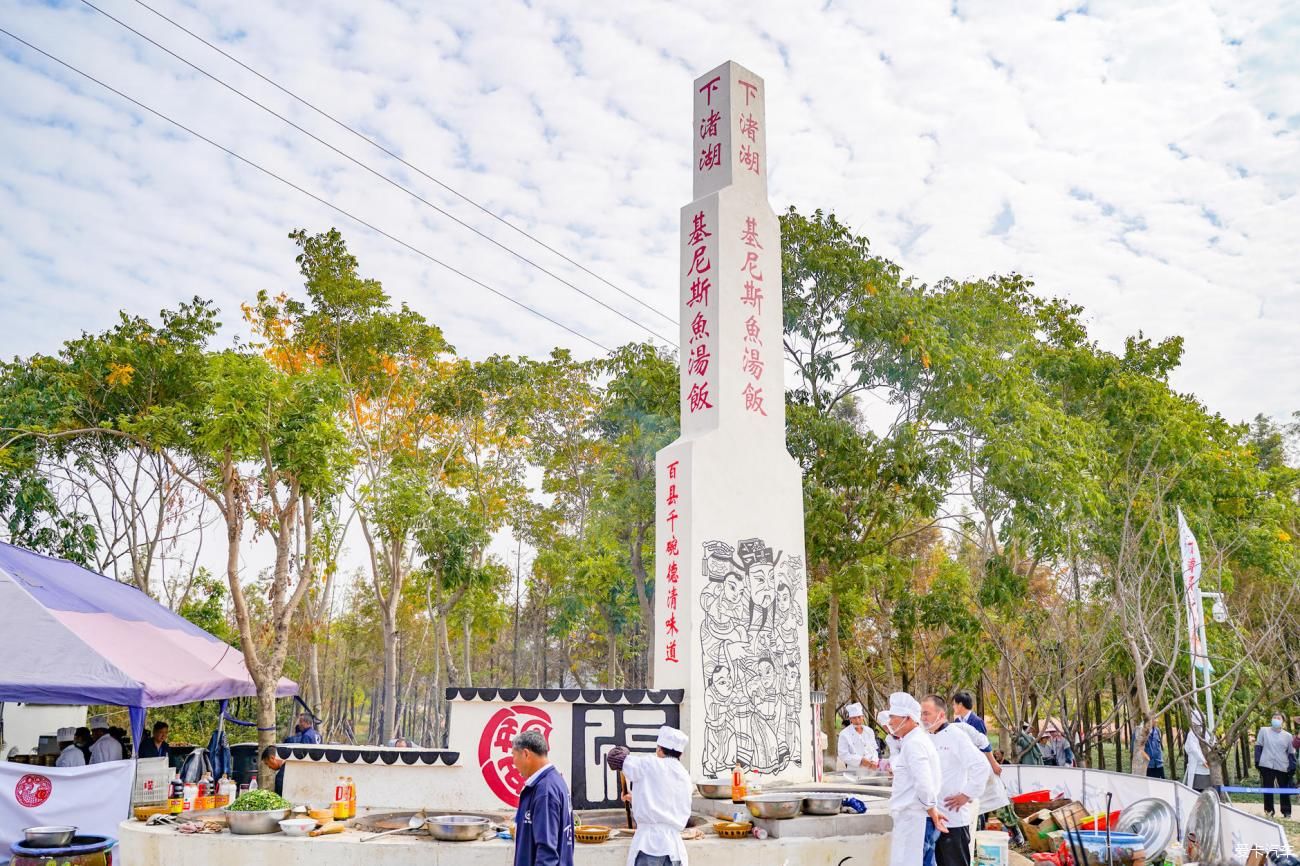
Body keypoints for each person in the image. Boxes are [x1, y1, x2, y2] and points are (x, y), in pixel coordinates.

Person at [606, 726, 693, 866]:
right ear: (680, 754)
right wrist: (635, 798)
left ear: (659, 749)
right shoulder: (684, 775)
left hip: (649, 846)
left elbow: (614, 758)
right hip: (674, 850)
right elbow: (664, 800)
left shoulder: (649, 764)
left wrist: (625, 751)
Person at [921, 695, 989, 866]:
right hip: (930, 817)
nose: (923, 718)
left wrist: (966, 794)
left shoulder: (956, 735)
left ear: (941, 715)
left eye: (927, 714)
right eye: (921, 714)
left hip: (953, 818)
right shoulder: (923, 737)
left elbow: (981, 766)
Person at [885, 692, 946, 866]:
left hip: (916, 821)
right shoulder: (914, 740)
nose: (890, 722)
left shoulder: (914, 744)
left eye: (893, 717)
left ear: (908, 718)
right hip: (916, 818)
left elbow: (924, 782)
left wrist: (931, 809)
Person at [511, 729, 574, 866]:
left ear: (526, 754)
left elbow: (547, 853)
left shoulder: (545, 790)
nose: (513, 763)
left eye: (514, 755)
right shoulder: (554, 781)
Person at [1255, 712, 1296, 819]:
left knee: (1284, 790)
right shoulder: (1264, 730)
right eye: (1274, 717)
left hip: (1282, 765)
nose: (1276, 719)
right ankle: (1269, 811)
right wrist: (1257, 761)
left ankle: (1286, 812)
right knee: (1267, 789)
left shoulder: (1288, 736)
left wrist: (1292, 767)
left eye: (1278, 718)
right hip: (1266, 764)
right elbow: (1258, 745)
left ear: (1283, 721)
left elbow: (1291, 752)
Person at [837, 702, 880, 771]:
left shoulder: (869, 731)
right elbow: (843, 754)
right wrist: (860, 760)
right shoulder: (844, 734)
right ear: (850, 719)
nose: (857, 720)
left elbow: (874, 749)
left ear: (863, 717)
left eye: (859, 717)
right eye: (854, 718)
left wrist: (874, 761)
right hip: (854, 770)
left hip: (871, 769)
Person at [1184, 712, 1211, 792]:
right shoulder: (1207, 732)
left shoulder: (1192, 734)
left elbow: (1193, 749)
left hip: (1197, 769)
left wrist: (1203, 761)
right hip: (1206, 767)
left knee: (1197, 793)